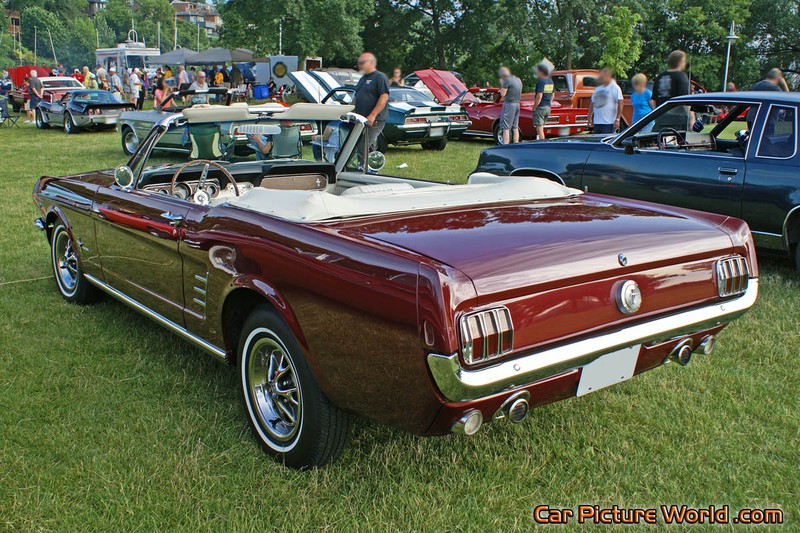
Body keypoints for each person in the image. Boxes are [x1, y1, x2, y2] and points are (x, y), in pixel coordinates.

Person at [353, 52, 390, 156]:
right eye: (359, 63)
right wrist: (351, 111)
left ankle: (364, 170)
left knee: (364, 146)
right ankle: (368, 169)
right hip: (361, 119)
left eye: (362, 62)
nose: (359, 65)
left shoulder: (380, 77)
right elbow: (356, 96)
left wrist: (372, 115)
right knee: (361, 146)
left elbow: (384, 97)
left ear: (372, 63)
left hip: (374, 120)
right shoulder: (362, 79)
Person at [588, 67, 623, 134]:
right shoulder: (598, 88)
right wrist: (589, 116)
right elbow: (592, 102)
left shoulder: (614, 87)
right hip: (597, 122)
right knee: (597, 142)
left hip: (609, 122)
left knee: (606, 141)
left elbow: (620, 102)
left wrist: (617, 119)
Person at [498, 66, 522, 144]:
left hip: (509, 104)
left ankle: (505, 145)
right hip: (517, 103)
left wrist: (502, 85)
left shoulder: (507, 80)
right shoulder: (518, 80)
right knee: (515, 127)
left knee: (506, 128)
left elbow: (503, 94)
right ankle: (516, 144)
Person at [532, 62, 555, 140]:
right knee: (542, 127)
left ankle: (542, 144)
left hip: (541, 107)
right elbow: (553, 95)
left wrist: (534, 107)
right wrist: (549, 103)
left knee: (539, 129)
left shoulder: (541, 82)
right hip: (547, 107)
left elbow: (539, 96)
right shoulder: (550, 81)